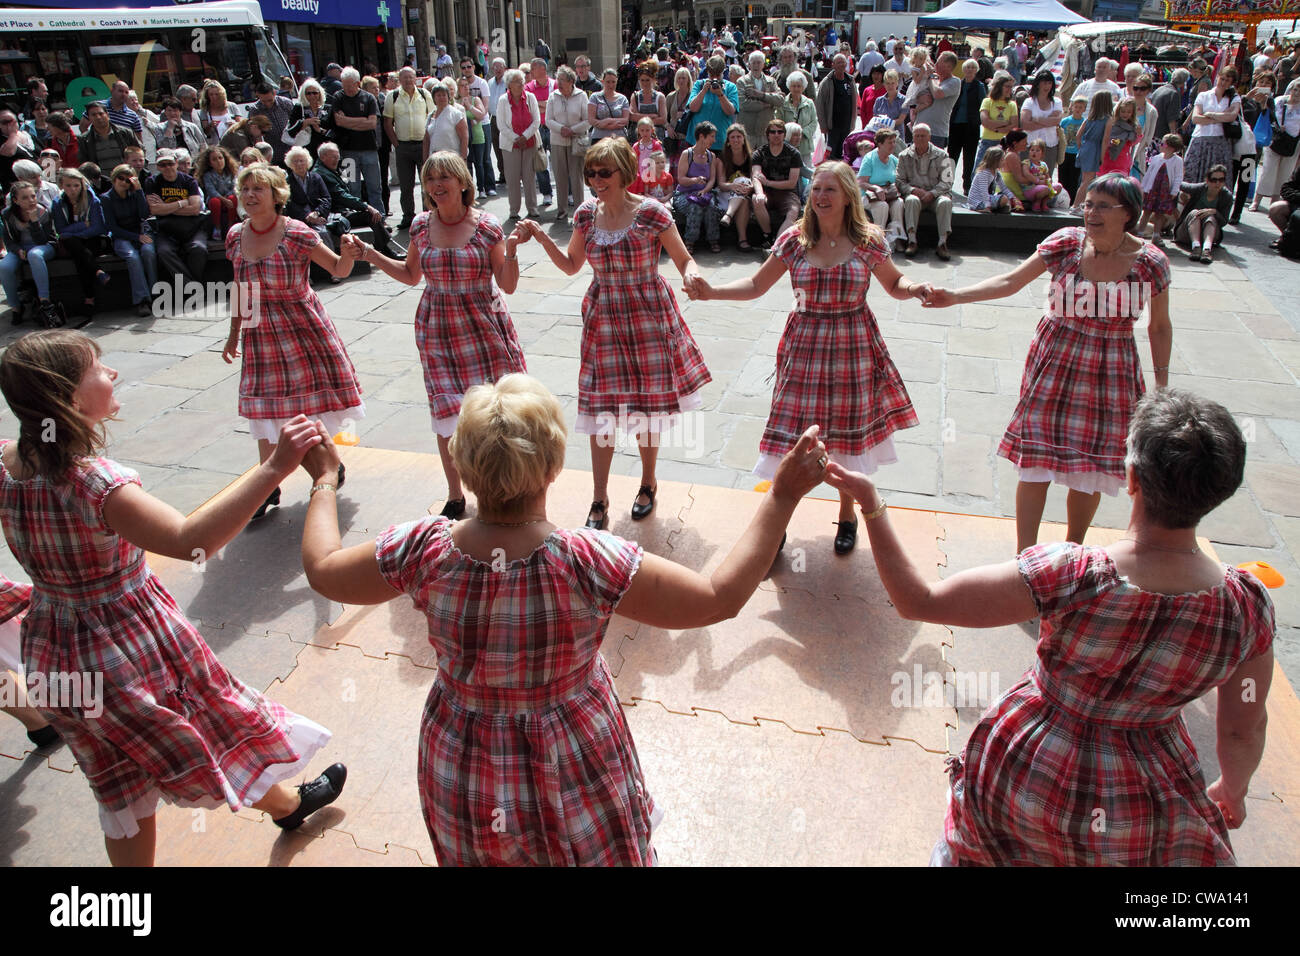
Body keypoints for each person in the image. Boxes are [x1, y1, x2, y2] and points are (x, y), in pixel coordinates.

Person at [297, 371, 828, 865]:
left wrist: (324, 478)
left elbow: (323, 570)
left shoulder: (421, 549)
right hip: (575, 758)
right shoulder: (588, 560)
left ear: (458, 463)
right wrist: (781, 495)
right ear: (552, 467)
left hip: (462, 762)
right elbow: (719, 597)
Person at [832, 388, 1274, 865]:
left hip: (1026, 771)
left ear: (1131, 479)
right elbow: (1242, 729)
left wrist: (871, 504)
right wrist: (1234, 788)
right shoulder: (1244, 607)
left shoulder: (1067, 572)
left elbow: (918, 600)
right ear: (1223, 488)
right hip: (1140, 796)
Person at [0, 330, 348, 866]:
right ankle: (286, 803)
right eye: (99, 367)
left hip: (52, 652)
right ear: (69, 398)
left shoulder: (6, 465)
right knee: (209, 725)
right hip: (125, 644)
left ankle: (286, 806)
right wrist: (276, 467)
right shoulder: (96, 483)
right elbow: (191, 543)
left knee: (118, 781)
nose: (111, 373)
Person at [926, 174, 1172, 553]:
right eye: (1088, 203)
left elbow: (1159, 326)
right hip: (1053, 362)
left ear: (1129, 214)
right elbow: (1011, 281)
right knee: (1035, 461)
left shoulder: (1151, 263)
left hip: (1111, 370)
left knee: (1088, 470)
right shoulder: (1066, 243)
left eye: (1103, 206)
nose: (1091, 212)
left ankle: (1073, 552)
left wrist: (1161, 385)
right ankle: (1025, 557)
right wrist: (954, 296)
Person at [691, 161, 927, 556]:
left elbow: (894, 283)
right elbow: (755, 284)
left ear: (848, 195)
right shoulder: (794, 240)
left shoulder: (868, 240)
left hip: (854, 348)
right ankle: (779, 520)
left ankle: (848, 514)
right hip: (804, 349)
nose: (820, 197)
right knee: (793, 435)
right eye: (816, 189)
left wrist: (914, 286)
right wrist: (712, 291)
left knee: (845, 436)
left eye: (830, 190)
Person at [518, 137, 711, 529]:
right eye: (591, 173)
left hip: (648, 316)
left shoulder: (652, 213)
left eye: (604, 172)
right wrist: (540, 236)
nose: (596, 180)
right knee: (600, 409)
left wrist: (692, 273)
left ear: (625, 172)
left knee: (646, 408)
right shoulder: (586, 215)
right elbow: (573, 265)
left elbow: (683, 258)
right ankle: (599, 496)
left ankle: (647, 482)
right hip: (603, 317)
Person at [357, 151, 527, 518]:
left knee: (495, 413)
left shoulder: (486, 227)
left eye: (444, 177)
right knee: (446, 413)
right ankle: (455, 495)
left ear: (463, 182)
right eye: (430, 178)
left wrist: (511, 252)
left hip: (483, 326)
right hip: (437, 327)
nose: (436, 185)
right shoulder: (420, 224)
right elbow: (410, 275)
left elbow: (508, 285)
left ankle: (501, 488)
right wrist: (372, 255)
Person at [219, 163, 360, 519]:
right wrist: (233, 334)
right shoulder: (236, 235)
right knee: (264, 411)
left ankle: (331, 464)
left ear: (276, 195)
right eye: (245, 189)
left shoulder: (297, 232)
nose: (250, 196)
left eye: (258, 189)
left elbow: (338, 271)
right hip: (260, 333)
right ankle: (267, 487)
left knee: (305, 409)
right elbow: (240, 289)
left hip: (302, 328)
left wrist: (347, 253)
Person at [314, 141, 402, 259]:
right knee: (371, 215)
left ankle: (384, 247)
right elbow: (341, 196)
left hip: (341, 211)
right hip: (335, 214)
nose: (337, 160)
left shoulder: (327, 169)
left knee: (372, 216)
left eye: (338, 157)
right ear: (323, 157)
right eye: (333, 157)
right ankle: (385, 249)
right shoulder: (322, 173)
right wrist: (366, 206)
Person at [0, 181, 62, 328]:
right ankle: (16, 307)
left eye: (33, 196)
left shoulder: (43, 212)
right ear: (15, 200)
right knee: (4, 266)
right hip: (20, 248)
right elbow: (9, 240)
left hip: (44, 246)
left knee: (35, 255)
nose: (31, 200)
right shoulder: (7, 215)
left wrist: (34, 221)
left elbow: (43, 240)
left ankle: (45, 301)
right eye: (25, 198)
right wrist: (18, 250)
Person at [49, 168, 108, 322]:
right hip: (72, 242)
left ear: (82, 185)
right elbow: (61, 230)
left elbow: (98, 227)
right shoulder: (58, 203)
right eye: (68, 185)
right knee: (77, 248)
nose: (72, 189)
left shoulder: (92, 200)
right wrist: (83, 225)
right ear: (62, 185)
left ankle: (89, 299)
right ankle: (98, 272)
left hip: (92, 238)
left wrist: (76, 232)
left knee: (81, 256)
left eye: (76, 185)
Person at [100, 163, 157, 316]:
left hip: (140, 231)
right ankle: (142, 300)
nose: (124, 182)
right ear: (114, 178)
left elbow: (144, 214)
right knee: (133, 257)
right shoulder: (106, 199)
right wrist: (136, 237)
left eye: (128, 180)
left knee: (148, 253)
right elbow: (112, 227)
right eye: (121, 178)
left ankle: (155, 293)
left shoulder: (134, 194)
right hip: (122, 236)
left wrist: (138, 191)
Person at [326, 68, 384, 213]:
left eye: (350, 85)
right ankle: (356, 216)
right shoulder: (338, 97)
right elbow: (338, 122)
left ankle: (379, 217)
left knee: (374, 187)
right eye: (344, 85)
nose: (347, 89)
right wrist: (360, 121)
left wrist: (347, 121)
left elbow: (371, 123)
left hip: (369, 149)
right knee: (352, 187)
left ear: (357, 83)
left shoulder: (369, 98)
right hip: (347, 151)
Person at [386, 68, 436, 230]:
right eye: (405, 78)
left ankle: (427, 216)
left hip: (422, 144)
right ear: (399, 79)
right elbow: (387, 123)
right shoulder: (392, 96)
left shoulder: (424, 95)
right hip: (403, 146)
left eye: (411, 77)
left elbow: (433, 116)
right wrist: (396, 144)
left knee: (426, 183)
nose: (408, 80)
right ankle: (408, 216)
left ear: (415, 79)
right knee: (406, 185)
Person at [897, 123, 954, 259]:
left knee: (945, 202)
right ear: (913, 137)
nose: (920, 138)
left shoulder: (942, 154)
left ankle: (942, 243)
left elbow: (948, 181)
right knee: (910, 200)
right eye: (917, 136)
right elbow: (899, 181)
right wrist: (912, 190)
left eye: (923, 136)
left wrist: (933, 193)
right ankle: (912, 241)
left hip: (936, 195)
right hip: (916, 194)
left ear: (929, 137)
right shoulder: (904, 155)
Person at [546, 66, 590, 223]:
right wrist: (561, 129)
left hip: (576, 142)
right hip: (557, 141)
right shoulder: (553, 96)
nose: (559, 83)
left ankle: (580, 210)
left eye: (562, 80)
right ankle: (562, 209)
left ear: (571, 81)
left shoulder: (581, 96)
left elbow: (587, 120)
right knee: (560, 176)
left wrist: (572, 130)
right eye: (558, 79)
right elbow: (548, 120)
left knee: (576, 176)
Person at [750, 119, 803, 249]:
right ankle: (767, 236)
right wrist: (760, 193)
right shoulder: (759, 153)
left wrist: (768, 182)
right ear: (768, 134)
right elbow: (756, 176)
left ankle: (777, 245)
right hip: (767, 192)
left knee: (793, 211)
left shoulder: (794, 154)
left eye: (780, 132)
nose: (776, 134)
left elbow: (791, 183)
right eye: (773, 132)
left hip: (787, 193)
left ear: (784, 135)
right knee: (757, 200)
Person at [498, 69, 542, 220]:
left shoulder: (530, 98)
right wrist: (517, 138)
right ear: (509, 84)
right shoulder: (503, 100)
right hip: (510, 144)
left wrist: (525, 136)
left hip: (529, 142)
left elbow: (536, 121)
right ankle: (514, 210)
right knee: (512, 178)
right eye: (518, 81)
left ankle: (532, 208)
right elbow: (501, 125)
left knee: (529, 177)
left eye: (522, 81)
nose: (521, 84)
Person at [1184, 66, 1240, 185]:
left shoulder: (1233, 98)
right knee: (1193, 175)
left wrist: (1210, 115)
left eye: (1227, 81)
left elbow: (1232, 116)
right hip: (1201, 139)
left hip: (1221, 141)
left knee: (1217, 177)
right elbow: (1196, 118)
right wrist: (1221, 117)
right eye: (1222, 79)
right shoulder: (1204, 96)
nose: (1223, 83)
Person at [1251, 78, 1300, 213]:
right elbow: (1269, 115)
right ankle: (1256, 200)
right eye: (1295, 89)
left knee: (1285, 174)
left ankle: (1274, 202)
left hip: (1293, 143)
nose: (1297, 93)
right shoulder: (1279, 101)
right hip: (1275, 140)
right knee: (1268, 171)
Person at [673, 120, 723, 254]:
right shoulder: (687, 154)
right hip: (684, 194)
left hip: (704, 193)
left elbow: (712, 179)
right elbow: (681, 179)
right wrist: (695, 180)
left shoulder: (711, 156)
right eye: (711, 136)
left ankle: (713, 240)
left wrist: (704, 190)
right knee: (695, 206)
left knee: (711, 206)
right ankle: (690, 241)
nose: (714, 140)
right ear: (702, 136)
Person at [1175, 163, 1233, 264]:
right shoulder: (1199, 188)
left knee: (1210, 217)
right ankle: (1196, 247)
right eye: (1213, 180)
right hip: (1186, 232)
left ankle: (1206, 250)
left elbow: (1224, 221)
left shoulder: (1226, 196)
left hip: (1210, 233)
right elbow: (1180, 184)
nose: (1217, 183)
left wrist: (1215, 212)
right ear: (1207, 180)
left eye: (1221, 180)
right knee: (1195, 213)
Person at [857, 127, 905, 245]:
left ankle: (897, 238)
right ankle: (878, 240)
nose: (893, 145)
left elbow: (900, 179)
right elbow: (861, 182)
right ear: (880, 144)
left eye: (894, 142)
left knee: (899, 204)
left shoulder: (893, 160)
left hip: (888, 194)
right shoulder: (870, 159)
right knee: (882, 206)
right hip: (869, 196)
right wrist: (876, 188)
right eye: (890, 142)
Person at [1137, 133, 1184, 245]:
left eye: (1162, 143)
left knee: (1160, 214)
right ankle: (1139, 233)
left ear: (1171, 147)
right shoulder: (1156, 158)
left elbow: (1178, 177)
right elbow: (1148, 174)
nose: (1160, 145)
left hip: (1165, 191)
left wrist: (1174, 191)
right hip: (1152, 189)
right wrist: (1143, 187)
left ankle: (1156, 235)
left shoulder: (1177, 161)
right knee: (1146, 212)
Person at [946, 60, 986, 193]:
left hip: (971, 125)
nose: (969, 70)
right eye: (967, 67)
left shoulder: (979, 86)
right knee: (952, 156)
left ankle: (967, 185)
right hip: (956, 124)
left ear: (976, 70)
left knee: (969, 157)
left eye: (972, 68)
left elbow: (982, 104)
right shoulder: (959, 83)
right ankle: (947, 183)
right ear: (963, 69)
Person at [684, 56, 739, 152]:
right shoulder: (699, 84)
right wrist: (703, 91)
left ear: (723, 72)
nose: (715, 78)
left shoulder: (731, 87)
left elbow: (731, 111)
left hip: (720, 142)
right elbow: (693, 108)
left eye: (718, 75)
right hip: (696, 141)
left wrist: (720, 94)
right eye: (711, 75)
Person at [284, 145, 333, 249]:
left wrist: (316, 213)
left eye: (301, 161)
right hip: (299, 219)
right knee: (319, 233)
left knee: (324, 231)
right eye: (295, 161)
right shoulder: (287, 182)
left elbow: (326, 198)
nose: (299, 164)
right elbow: (289, 203)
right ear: (290, 164)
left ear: (307, 162)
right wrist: (308, 217)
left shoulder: (316, 177)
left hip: (318, 216)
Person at [524, 59, 557, 209]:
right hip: (538, 128)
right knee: (540, 162)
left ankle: (568, 193)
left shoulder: (555, 84)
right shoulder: (528, 87)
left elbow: (556, 105)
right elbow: (530, 106)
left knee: (559, 162)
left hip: (554, 127)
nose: (530, 72)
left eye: (533, 68)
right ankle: (546, 193)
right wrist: (545, 104)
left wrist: (542, 104)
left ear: (543, 69)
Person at [1018, 71, 1062, 180]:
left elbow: (1056, 121)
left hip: (1050, 145)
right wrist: (1047, 122)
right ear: (1038, 84)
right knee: (1027, 176)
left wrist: (1036, 119)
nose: (1046, 86)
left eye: (1049, 83)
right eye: (1044, 83)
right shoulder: (1029, 102)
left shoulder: (1056, 102)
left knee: (1046, 177)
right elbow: (1025, 124)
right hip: (1030, 145)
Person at [914, 51, 962, 150]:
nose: (935, 65)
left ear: (949, 67)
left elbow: (937, 94)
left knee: (933, 164)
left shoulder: (955, 82)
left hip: (936, 133)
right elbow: (915, 95)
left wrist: (932, 75)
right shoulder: (934, 79)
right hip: (918, 129)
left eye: (939, 62)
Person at [717, 123, 755, 247]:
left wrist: (751, 187)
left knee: (743, 187)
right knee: (741, 183)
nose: (736, 140)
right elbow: (721, 184)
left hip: (744, 193)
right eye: (732, 137)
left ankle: (730, 218)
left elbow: (754, 179)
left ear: (744, 139)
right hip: (726, 193)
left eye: (739, 137)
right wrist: (733, 186)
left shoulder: (751, 157)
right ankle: (742, 239)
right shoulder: (722, 157)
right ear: (728, 140)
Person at [1073, 91, 1113, 209]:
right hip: (1095, 148)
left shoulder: (1088, 118)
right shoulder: (1108, 120)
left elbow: (1078, 136)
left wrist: (1082, 148)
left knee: (1085, 179)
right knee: (1088, 180)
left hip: (1086, 146)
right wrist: (1102, 157)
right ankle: (1075, 206)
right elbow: (1106, 140)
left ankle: (1081, 204)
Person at [77, 102, 138, 178]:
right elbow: (83, 163)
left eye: (101, 114)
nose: (98, 117)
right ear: (89, 118)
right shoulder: (84, 140)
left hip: (127, 179)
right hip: (102, 183)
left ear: (108, 115)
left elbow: (139, 152)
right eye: (94, 115)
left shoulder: (125, 133)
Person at [737, 50, 783, 147]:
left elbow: (780, 100)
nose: (756, 65)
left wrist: (762, 95)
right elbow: (743, 104)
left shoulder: (771, 81)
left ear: (763, 64)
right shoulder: (742, 81)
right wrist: (766, 104)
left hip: (766, 130)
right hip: (747, 131)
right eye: (753, 63)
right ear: (749, 65)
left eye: (759, 62)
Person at [815, 55, 856, 161]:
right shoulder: (827, 82)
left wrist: (853, 123)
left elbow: (854, 103)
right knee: (830, 154)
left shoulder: (850, 81)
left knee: (843, 153)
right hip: (832, 126)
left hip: (846, 125)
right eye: (838, 63)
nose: (841, 65)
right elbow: (820, 105)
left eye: (843, 62)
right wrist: (823, 125)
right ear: (833, 65)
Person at [457, 73, 492, 197]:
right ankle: (468, 190)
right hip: (463, 138)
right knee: (467, 164)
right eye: (462, 86)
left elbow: (481, 114)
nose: (465, 88)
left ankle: (481, 189)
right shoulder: (456, 102)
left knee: (479, 163)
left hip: (477, 136)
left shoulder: (475, 99)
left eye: (467, 85)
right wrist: (462, 106)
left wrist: (469, 106)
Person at [150, 96, 205, 162]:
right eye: (169, 110)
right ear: (165, 112)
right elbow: (164, 147)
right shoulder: (159, 128)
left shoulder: (191, 126)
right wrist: (170, 128)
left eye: (175, 110)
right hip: (171, 163)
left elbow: (203, 144)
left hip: (192, 162)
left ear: (180, 112)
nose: (172, 113)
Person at [287, 79, 330, 162]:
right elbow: (291, 131)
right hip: (305, 151)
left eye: (315, 93)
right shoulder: (299, 108)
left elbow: (334, 131)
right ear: (304, 94)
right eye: (308, 93)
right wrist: (305, 122)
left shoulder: (327, 108)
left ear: (320, 93)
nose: (312, 96)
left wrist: (320, 130)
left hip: (324, 151)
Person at [424, 81, 468, 161]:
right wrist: (425, 160)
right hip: (434, 159)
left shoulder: (456, 114)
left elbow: (464, 138)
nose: (441, 98)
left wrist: (463, 159)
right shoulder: (430, 116)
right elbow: (426, 140)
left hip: (452, 159)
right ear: (434, 98)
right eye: (438, 95)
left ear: (448, 97)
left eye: (444, 95)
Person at [1098, 96, 1140, 177]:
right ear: (1118, 110)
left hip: (1123, 160)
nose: (1126, 114)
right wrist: (1116, 141)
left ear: (1133, 113)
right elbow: (1107, 140)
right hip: (1108, 158)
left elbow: (1132, 143)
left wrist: (1139, 135)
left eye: (1129, 112)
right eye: (1123, 111)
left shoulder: (1133, 127)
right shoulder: (1112, 123)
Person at [966, 145, 1013, 212]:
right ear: (995, 161)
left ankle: (998, 208)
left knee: (1006, 197)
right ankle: (984, 208)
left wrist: (1013, 198)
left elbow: (1003, 187)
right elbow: (983, 191)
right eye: (1002, 160)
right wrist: (987, 205)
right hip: (978, 202)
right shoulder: (984, 173)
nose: (1004, 162)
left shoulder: (996, 172)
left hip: (986, 198)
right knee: (1004, 199)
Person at [1058, 95, 1086, 203]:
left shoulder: (1085, 122)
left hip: (1077, 154)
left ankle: (1072, 200)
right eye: (1076, 106)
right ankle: (1061, 199)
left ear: (1084, 109)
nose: (1078, 109)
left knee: (1074, 179)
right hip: (1065, 152)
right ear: (1072, 107)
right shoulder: (1065, 121)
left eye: (1081, 107)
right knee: (1063, 177)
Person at [198, 81, 244, 146]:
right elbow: (205, 132)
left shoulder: (232, 106)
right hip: (216, 145)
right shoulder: (205, 110)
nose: (214, 97)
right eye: (211, 94)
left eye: (217, 94)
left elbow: (241, 125)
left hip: (234, 143)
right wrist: (210, 126)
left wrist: (234, 125)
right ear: (207, 96)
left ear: (221, 94)